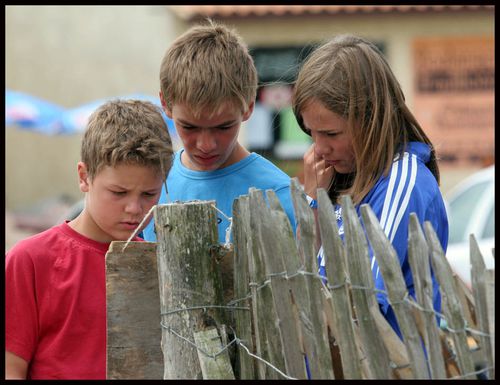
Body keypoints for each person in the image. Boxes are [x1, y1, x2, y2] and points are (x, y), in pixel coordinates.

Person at [292, 34, 448, 339]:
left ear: (372, 119)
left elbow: (357, 300)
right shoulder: (342, 180)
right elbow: (301, 279)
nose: (319, 148)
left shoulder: (402, 184)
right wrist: (314, 204)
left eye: (331, 134)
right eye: (311, 133)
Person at [5, 99, 174, 379]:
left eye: (148, 194)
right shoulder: (30, 260)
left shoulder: (160, 263)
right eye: (119, 193)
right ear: (84, 177)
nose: (134, 208)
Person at [142, 19, 296, 245]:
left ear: (249, 106)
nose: (206, 144)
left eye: (223, 127)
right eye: (189, 127)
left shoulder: (280, 196)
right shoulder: (150, 186)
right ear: (165, 104)